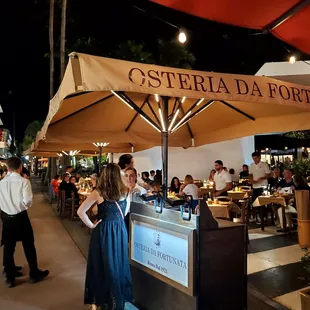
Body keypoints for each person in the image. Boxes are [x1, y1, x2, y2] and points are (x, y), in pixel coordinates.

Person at [77, 163, 132, 309]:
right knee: (118, 264)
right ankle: (116, 298)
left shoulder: (98, 192)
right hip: (119, 230)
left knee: (100, 264)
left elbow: (80, 211)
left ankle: (98, 301)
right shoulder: (126, 191)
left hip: (103, 232)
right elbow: (125, 213)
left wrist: (91, 225)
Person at [0, 157, 49, 288]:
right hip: (20, 216)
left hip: (6, 217)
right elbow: (27, 201)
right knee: (28, 244)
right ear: (20, 167)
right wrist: (20, 206)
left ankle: (9, 276)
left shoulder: (1, 182)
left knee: (9, 246)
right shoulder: (24, 182)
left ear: (7, 168)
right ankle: (34, 272)